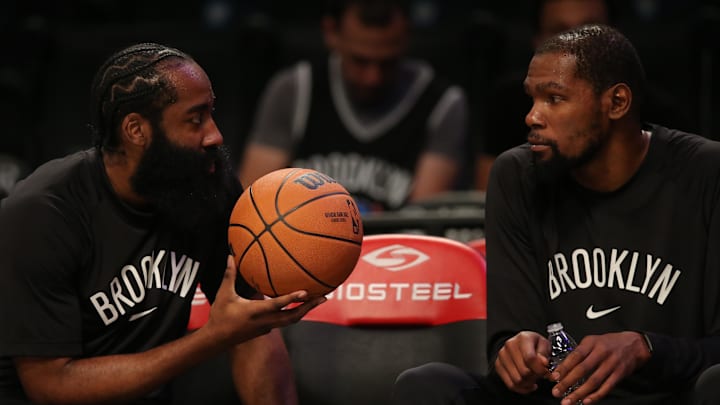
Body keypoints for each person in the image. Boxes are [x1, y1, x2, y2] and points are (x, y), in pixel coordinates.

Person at [392, 24, 720, 404]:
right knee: (426, 384)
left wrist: (646, 347)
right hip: (557, 398)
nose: (533, 116)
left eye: (554, 98)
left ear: (616, 103)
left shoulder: (705, 173)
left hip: (671, 397)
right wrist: (516, 352)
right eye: (532, 99)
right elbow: (507, 338)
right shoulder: (516, 176)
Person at [0, 42, 326, 405]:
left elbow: (250, 329)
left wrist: (242, 326)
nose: (215, 135)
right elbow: (50, 386)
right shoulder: (42, 214)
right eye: (195, 119)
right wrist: (213, 337)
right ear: (136, 130)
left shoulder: (208, 187)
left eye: (212, 113)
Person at [237, 0, 468, 213]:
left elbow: (424, 225)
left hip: (395, 253)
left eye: (387, 63)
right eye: (360, 61)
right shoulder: (294, 90)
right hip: (304, 253)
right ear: (330, 32)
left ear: (407, 35)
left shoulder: (442, 104)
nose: (372, 78)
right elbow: (254, 207)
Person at [473, 0, 692, 190]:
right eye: (560, 32)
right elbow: (488, 204)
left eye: (589, 31)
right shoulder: (507, 103)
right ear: (537, 41)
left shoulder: (660, 114)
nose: (575, 46)